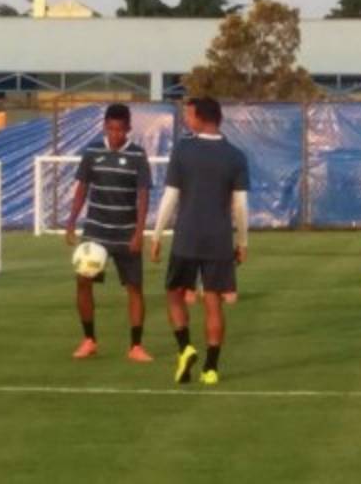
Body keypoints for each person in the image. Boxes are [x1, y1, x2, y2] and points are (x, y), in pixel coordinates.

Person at [151, 97, 249, 386]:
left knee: (174, 292)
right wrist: (242, 241)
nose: (186, 119)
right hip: (219, 240)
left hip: (187, 238)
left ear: (199, 117)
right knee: (213, 302)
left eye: (188, 114)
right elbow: (241, 205)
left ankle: (185, 347)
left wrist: (156, 235)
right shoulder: (236, 156)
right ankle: (211, 368)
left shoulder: (183, 150)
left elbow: (170, 196)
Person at [65, 104, 153, 362]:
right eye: (111, 128)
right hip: (95, 233)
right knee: (83, 282)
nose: (115, 134)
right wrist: (71, 221)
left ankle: (136, 346)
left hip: (126, 234)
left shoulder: (138, 155)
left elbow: (143, 196)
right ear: (104, 126)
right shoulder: (92, 151)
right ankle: (89, 340)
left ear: (128, 129)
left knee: (134, 288)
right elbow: (82, 188)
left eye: (120, 129)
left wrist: (139, 232)